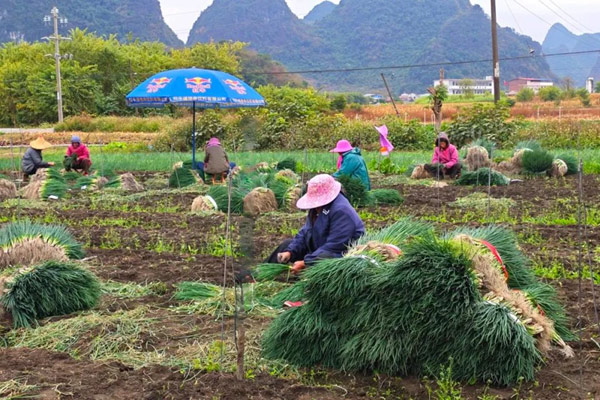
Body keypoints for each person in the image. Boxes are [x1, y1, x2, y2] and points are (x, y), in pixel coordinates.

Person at [266, 174, 365, 274]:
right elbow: (305, 232)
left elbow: (334, 247)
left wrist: (306, 263)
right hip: (320, 248)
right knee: (286, 245)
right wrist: (290, 252)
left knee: (325, 256)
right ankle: (260, 274)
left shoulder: (341, 211)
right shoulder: (316, 208)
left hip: (340, 256)